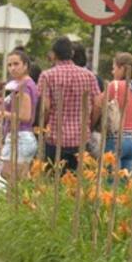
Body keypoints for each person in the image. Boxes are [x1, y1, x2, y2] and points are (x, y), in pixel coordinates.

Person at [37, 36, 101, 172]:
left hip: (54, 138)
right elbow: (98, 104)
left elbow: (46, 107)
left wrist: (43, 127)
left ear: (53, 55)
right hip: (81, 138)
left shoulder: (47, 76)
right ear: (72, 53)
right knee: (77, 184)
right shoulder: (89, 76)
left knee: (53, 181)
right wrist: (90, 123)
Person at [0, 48, 38, 170]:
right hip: (14, 135)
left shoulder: (25, 86)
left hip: (21, 136)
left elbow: (25, 116)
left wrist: (4, 113)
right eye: (9, 65)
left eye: (16, 64)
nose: (12, 68)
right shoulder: (16, 84)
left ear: (25, 65)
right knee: (13, 177)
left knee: (11, 175)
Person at [104, 53, 132, 171]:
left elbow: (98, 103)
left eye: (114, 68)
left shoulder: (115, 85)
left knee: (110, 182)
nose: (112, 72)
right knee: (125, 184)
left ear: (121, 68)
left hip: (116, 139)